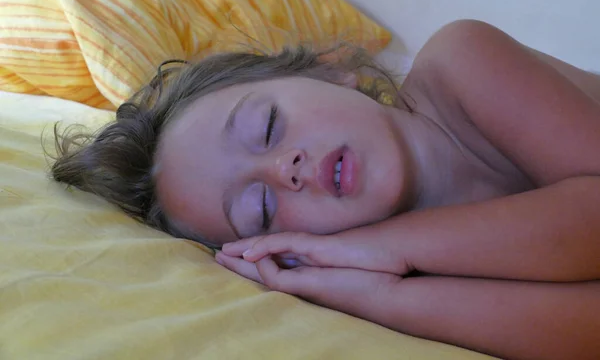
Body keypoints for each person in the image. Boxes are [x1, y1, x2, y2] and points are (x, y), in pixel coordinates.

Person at [51, 20, 600, 360]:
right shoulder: (381, 271)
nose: (283, 169)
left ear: (332, 72)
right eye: (260, 207)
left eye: (266, 126)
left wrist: (395, 249)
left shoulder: (461, 60)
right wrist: (381, 295)